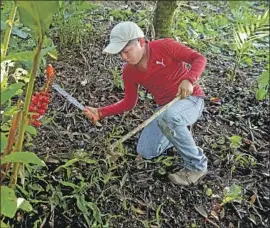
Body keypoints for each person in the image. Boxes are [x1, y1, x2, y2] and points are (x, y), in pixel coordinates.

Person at [84, 21, 208, 186]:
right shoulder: (129, 71)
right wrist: (101, 112)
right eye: (120, 54)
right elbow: (129, 102)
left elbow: (199, 58)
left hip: (191, 100)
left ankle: (196, 165)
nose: (124, 57)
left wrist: (189, 80)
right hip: (164, 110)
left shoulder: (164, 46)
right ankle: (178, 132)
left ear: (141, 42)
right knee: (146, 151)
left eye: (127, 51)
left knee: (169, 117)